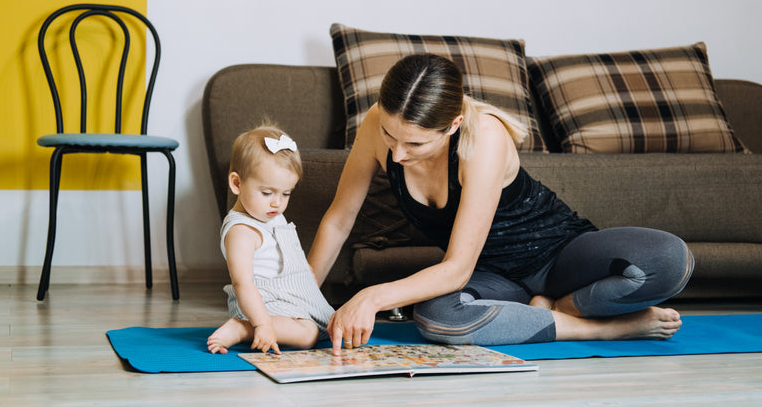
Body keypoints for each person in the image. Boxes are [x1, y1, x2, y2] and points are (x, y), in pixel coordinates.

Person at [307, 53, 694, 355]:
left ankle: (567, 308)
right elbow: (339, 221)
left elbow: (455, 269)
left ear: (454, 125)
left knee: (671, 259)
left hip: (558, 256)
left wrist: (371, 297)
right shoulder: (378, 121)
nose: (397, 155)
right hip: (493, 277)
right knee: (436, 319)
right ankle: (602, 327)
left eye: (416, 144)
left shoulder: (485, 137)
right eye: (392, 137)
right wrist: (298, 301)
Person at [207, 124, 334, 354]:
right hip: (262, 302)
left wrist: (305, 272)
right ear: (237, 183)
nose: (277, 203)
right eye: (267, 193)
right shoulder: (241, 232)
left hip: (289, 295)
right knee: (308, 335)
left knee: (330, 325)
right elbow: (243, 283)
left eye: (286, 193)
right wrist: (262, 323)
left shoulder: (269, 213)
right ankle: (242, 328)